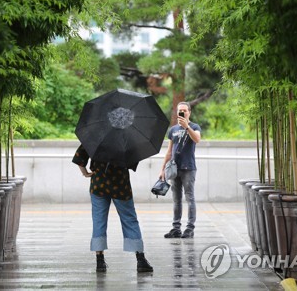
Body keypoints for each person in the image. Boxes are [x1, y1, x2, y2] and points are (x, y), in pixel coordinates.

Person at [72, 144, 154, 273]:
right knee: (130, 220)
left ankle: (100, 261)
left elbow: (79, 158)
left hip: (98, 184)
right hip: (121, 185)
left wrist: (86, 173)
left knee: (99, 220)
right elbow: (132, 162)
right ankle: (141, 259)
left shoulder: (95, 136)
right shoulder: (127, 138)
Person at [159, 101, 201, 239]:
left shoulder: (194, 127)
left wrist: (187, 127)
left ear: (189, 112)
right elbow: (169, 151)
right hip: (174, 169)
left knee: (190, 198)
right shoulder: (173, 130)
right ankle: (176, 228)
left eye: (184, 110)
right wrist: (162, 169)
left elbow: (197, 139)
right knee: (176, 199)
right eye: (179, 111)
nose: (181, 113)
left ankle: (190, 228)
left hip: (188, 168)